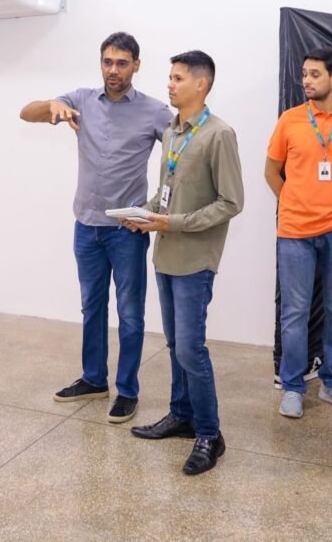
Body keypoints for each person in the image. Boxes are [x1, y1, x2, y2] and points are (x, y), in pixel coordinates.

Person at [19, 32, 171, 424]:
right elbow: (26, 113)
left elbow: (183, 152)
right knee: (92, 306)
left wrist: (158, 209)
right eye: (107, 62)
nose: (113, 70)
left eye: (121, 63)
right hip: (86, 226)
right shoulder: (81, 100)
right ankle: (93, 379)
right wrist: (51, 106)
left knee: (130, 313)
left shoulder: (154, 111)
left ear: (136, 65)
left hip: (127, 230)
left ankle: (128, 391)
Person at [125, 50, 244, 476]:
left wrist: (171, 222)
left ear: (201, 84)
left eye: (177, 78)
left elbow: (231, 202)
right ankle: (181, 414)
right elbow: (167, 193)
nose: (170, 84)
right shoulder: (172, 132)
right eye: (170, 77)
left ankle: (210, 434)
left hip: (195, 260)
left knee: (192, 349)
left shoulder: (219, 134)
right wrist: (141, 213)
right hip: (166, 255)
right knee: (176, 346)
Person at [264, 47, 332, 418]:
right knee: (294, 313)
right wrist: (291, 201)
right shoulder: (290, 119)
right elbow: (271, 170)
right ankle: (292, 386)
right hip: (294, 232)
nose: (307, 81)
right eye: (304, 74)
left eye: (315, 74)